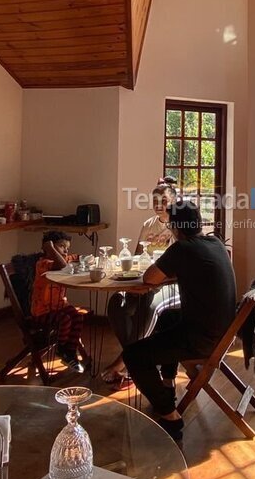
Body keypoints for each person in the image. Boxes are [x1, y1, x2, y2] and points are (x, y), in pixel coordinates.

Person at [122, 201, 236, 441]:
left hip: (203, 339)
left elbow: (150, 278)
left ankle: (169, 415)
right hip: (223, 331)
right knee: (167, 315)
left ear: (175, 226)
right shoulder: (215, 243)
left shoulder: (182, 248)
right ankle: (167, 384)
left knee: (133, 355)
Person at [101, 179, 182, 389]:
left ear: (173, 201)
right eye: (155, 200)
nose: (158, 205)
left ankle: (123, 362)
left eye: (163, 200)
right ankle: (134, 360)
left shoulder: (178, 227)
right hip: (144, 279)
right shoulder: (148, 225)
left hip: (167, 284)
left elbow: (177, 265)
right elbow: (137, 257)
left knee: (148, 305)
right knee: (116, 304)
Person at [31, 231, 86, 370]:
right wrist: (49, 249)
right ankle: (61, 349)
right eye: (62, 247)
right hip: (43, 311)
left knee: (77, 317)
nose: (66, 251)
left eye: (67, 248)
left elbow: (77, 258)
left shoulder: (63, 259)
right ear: (49, 248)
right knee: (65, 319)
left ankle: (70, 352)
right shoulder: (43, 263)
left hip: (60, 305)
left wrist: (86, 259)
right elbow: (63, 267)